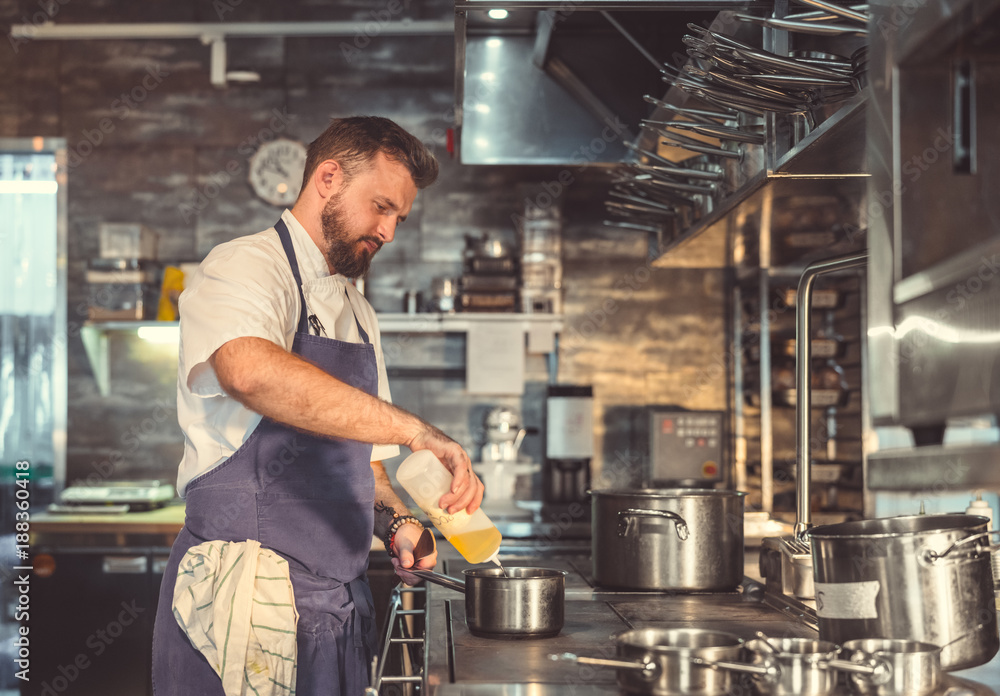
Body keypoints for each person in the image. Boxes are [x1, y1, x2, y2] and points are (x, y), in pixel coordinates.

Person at [151, 116, 484, 696]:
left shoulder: (358, 310)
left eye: (399, 218)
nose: (389, 231)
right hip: (245, 604)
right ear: (328, 177)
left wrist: (398, 523)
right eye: (381, 207)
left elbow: (365, 463)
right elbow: (250, 372)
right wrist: (415, 431)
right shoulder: (244, 266)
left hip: (335, 606)